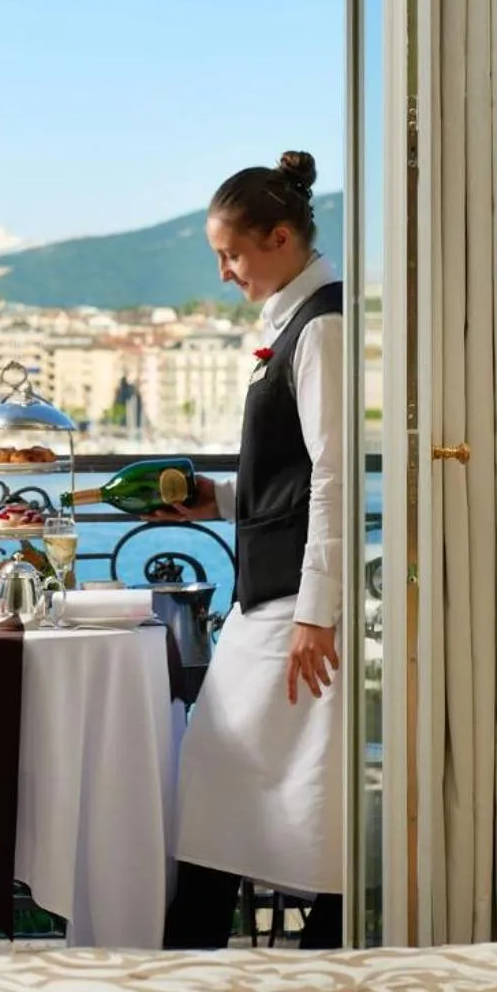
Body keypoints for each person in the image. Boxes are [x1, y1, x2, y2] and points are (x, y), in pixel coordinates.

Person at [157, 149, 346, 950]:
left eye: (231, 253)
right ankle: (218, 952)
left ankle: (203, 956)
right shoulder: (295, 321)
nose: (226, 271)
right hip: (270, 593)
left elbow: (335, 474)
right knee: (234, 782)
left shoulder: (323, 327)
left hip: (288, 605)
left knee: (233, 775)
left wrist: (317, 613)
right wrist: (223, 498)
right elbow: (295, 474)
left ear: (279, 238)